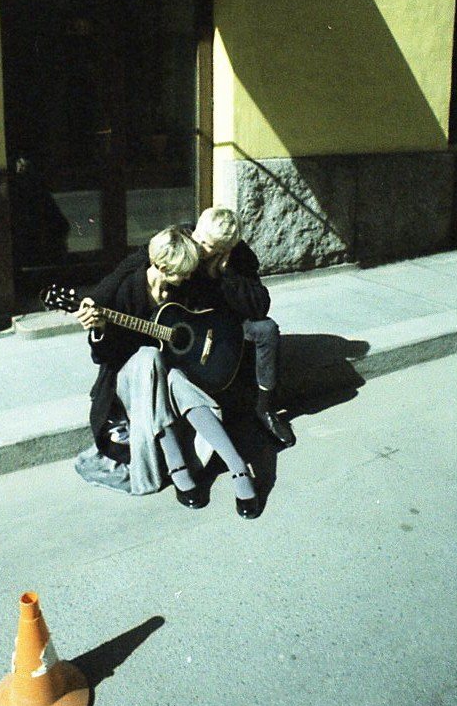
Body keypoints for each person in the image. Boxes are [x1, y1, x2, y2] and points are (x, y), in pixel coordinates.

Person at [75, 226, 259, 518]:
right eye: (180, 273)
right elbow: (102, 357)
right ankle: (179, 466)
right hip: (128, 379)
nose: (186, 278)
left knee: (172, 377)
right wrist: (99, 330)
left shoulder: (178, 287)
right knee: (149, 357)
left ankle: (237, 466)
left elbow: (208, 316)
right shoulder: (124, 291)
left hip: (167, 375)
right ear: (161, 267)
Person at [188, 207, 295, 448]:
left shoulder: (239, 257)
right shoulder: (185, 240)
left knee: (267, 329)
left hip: (231, 323)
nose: (199, 247)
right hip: (195, 325)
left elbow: (260, 306)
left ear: (224, 250)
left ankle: (265, 408)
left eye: (207, 245)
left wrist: (227, 274)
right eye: (199, 238)